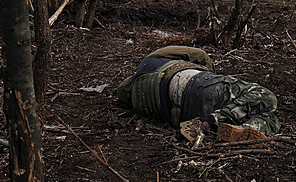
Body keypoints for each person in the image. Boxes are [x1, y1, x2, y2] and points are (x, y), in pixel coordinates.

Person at [117, 46, 280, 144]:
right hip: (190, 83)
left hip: (180, 115)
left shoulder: (137, 96)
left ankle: (243, 130)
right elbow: (200, 55)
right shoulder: (153, 58)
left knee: (270, 118)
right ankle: (209, 122)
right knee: (266, 97)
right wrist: (213, 77)